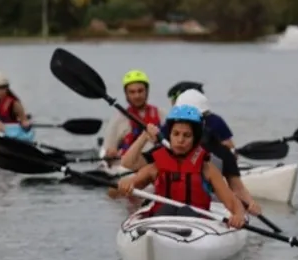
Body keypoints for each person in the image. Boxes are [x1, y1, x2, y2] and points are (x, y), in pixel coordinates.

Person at [118, 102, 262, 215]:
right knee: (166, 209)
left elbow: (232, 202)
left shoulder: (207, 169)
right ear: (170, 135)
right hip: (162, 219)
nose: (180, 140)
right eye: (176, 134)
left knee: (185, 211)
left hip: (195, 223)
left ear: (195, 139)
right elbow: (130, 182)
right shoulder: (156, 166)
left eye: (187, 135)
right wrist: (126, 185)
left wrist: (238, 215)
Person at [100, 69, 162, 163]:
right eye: (132, 92)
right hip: (126, 166)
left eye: (140, 91)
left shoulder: (162, 115)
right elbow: (107, 152)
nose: (137, 96)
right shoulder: (117, 120)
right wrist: (109, 155)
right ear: (126, 94)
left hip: (155, 164)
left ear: (147, 91)